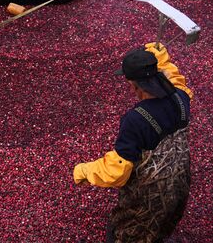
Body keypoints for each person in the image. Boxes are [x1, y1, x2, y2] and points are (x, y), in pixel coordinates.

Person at [73, 43, 193, 242]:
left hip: (151, 192)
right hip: (180, 179)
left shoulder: (136, 119)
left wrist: (85, 171)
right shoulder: (181, 98)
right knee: (165, 221)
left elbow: (118, 169)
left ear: (135, 85)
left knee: (133, 231)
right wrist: (160, 57)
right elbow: (175, 79)